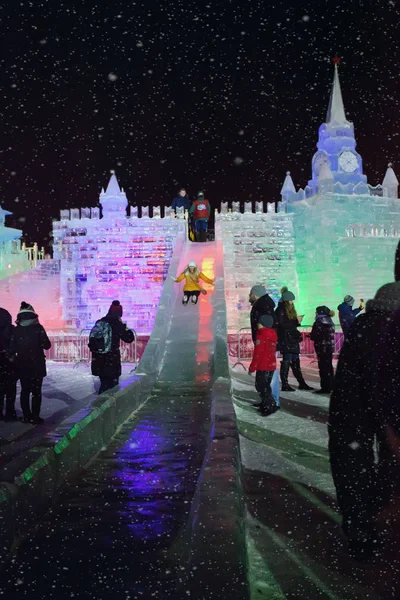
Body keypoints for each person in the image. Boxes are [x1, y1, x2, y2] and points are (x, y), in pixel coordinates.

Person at [329, 279, 400, 561]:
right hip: (385, 413)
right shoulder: (387, 330)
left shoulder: (364, 327)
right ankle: (379, 522)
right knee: (388, 464)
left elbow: (348, 393)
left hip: (354, 416)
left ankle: (363, 531)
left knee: (353, 463)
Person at [11, 302, 51, 424]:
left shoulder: (16, 330)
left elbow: (12, 348)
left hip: (22, 364)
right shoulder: (38, 328)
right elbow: (47, 345)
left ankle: (26, 416)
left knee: (25, 390)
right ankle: (35, 417)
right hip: (37, 364)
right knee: (36, 392)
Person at [90, 300, 135, 395]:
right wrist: (125, 327)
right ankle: (107, 407)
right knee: (112, 388)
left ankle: (100, 404)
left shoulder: (100, 321)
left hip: (99, 359)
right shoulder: (117, 323)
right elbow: (129, 338)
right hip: (112, 359)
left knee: (103, 385)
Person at [275, 287, 313, 392]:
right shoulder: (281, 309)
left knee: (295, 360)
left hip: (292, 338)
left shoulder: (287, 309)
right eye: (291, 300)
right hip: (286, 339)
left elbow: (287, 324)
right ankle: (285, 384)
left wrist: (296, 321)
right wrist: (296, 321)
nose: (292, 302)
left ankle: (301, 382)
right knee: (287, 360)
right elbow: (282, 324)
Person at [249, 315, 279, 416]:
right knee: (265, 386)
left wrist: (252, 367)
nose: (257, 324)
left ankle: (269, 406)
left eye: (259, 323)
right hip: (270, 365)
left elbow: (258, 353)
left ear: (263, 324)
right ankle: (267, 404)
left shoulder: (262, 335)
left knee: (261, 386)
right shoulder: (272, 334)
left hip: (263, 365)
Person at [309, 305, 335, 394]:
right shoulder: (330, 320)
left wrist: (311, 336)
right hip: (329, 347)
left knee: (323, 367)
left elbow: (314, 335)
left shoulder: (318, 322)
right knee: (329, 366)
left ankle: (325, 387)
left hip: (321, 347)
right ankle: (331, 385)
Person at [0, 308, 17, 421]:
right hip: (10, 362)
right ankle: (10, 413)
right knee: (11, 389)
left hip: (1, 362)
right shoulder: (13, 331)